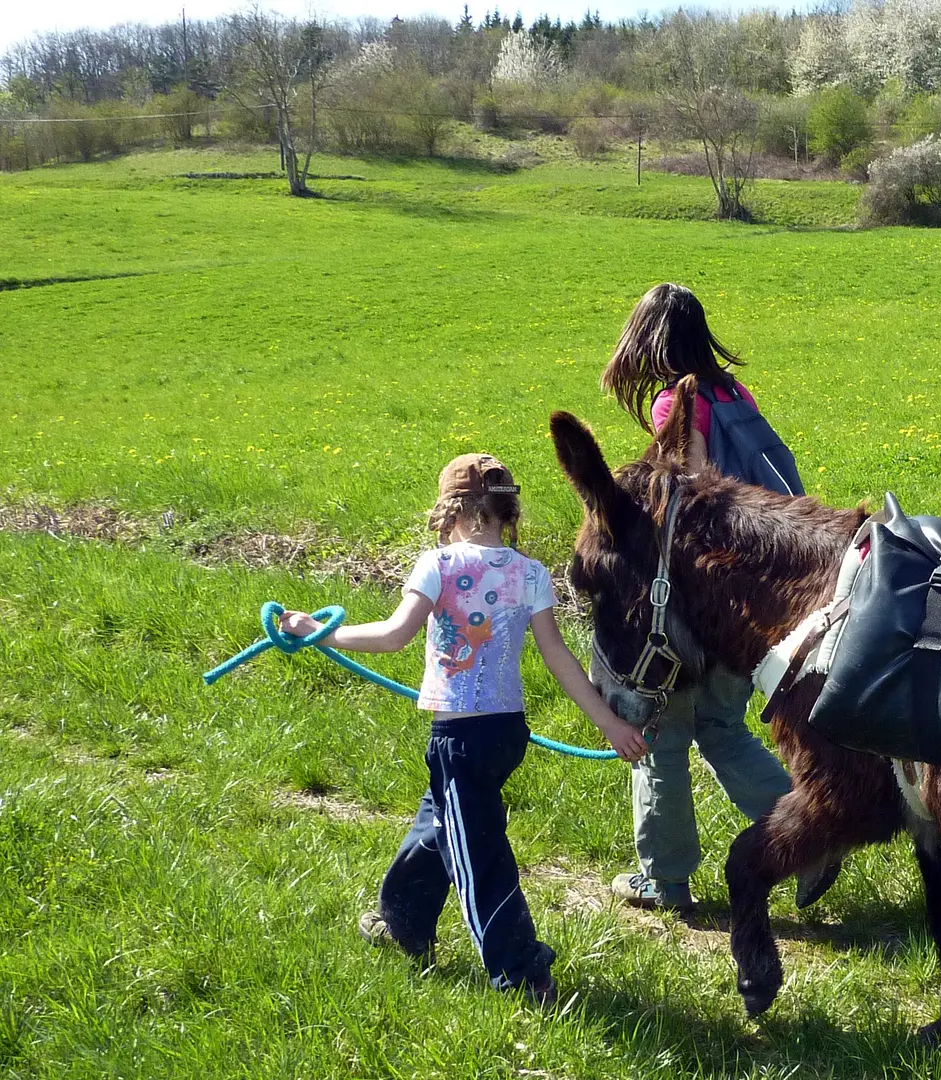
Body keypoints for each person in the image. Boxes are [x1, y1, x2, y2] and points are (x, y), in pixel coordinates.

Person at [279, 453, 650, 1004]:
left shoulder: (440, 565)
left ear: (453, 511)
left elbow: (393, 635)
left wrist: (322, 633)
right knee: (439, 824)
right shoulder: (530, 573)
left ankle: (523, 972)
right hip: (506, 735)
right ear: (505, 512)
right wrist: (610, 724)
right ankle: (401, 922)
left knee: (476, 854)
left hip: (457, 738)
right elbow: (558, 658)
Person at [599, 282, 835, 913]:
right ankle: (808, 840)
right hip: (756, 597)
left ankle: (664, 878)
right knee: (723, 725)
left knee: (661, 730)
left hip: (702, 601)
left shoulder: (678, 403)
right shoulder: (735, 392)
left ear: (646, 340)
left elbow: (692, 496)